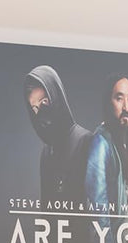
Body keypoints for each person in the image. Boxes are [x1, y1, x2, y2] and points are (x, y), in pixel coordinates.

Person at [85, 75, 128, 243]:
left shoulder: (122, 140)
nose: (126, 106)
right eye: (119, 98)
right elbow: (98, 211)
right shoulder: (101, 143)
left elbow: (119, 195)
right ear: (108, 103)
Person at [23, 66, 93, 206]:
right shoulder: (47, 152)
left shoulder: (87, 142)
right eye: (35, 108)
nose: (40, 112)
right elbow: (46, 210)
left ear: (57, 96)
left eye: (44, 102)